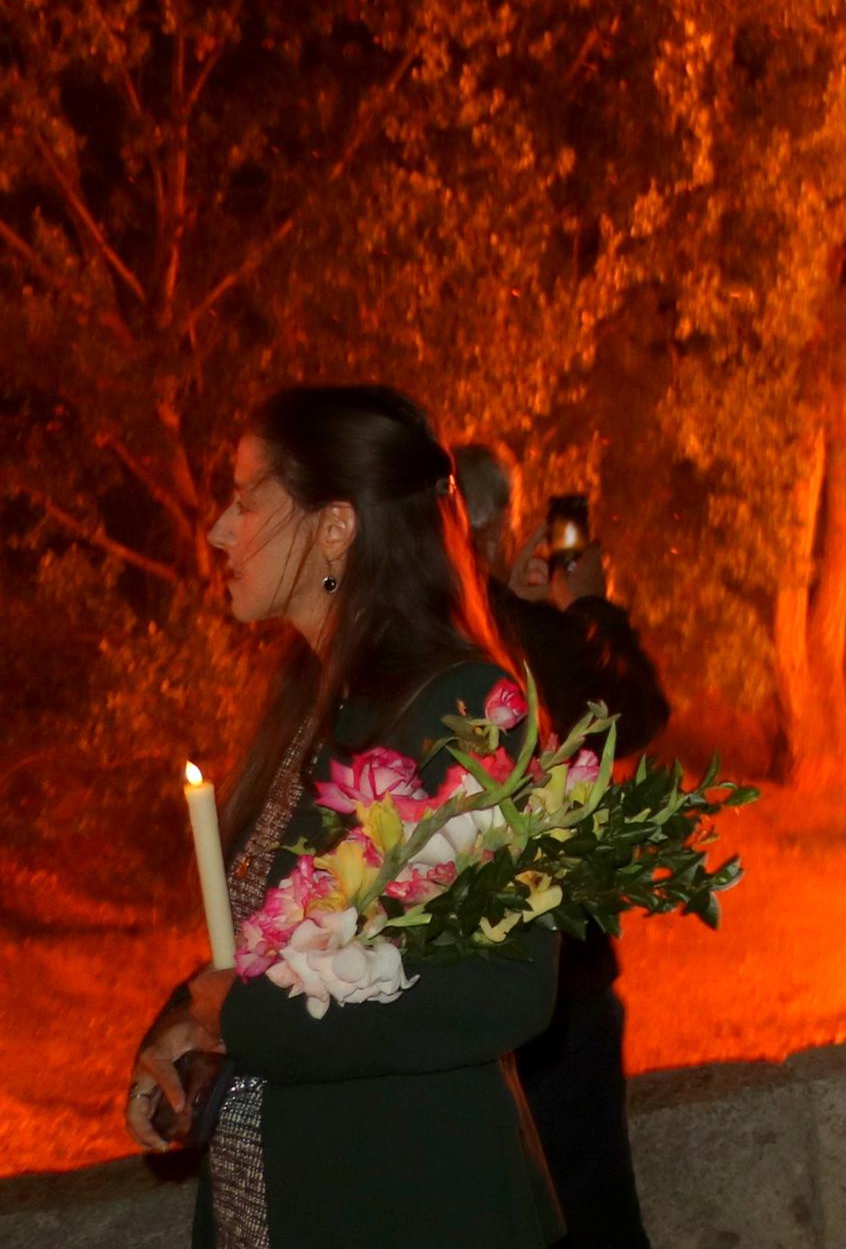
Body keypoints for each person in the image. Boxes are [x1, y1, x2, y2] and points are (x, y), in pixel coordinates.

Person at [123, 385, 562, 1249]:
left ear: (335, 526)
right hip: (287, 1201)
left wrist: (241, 1019)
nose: (219, 528)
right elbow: (267, 939)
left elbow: (505, 987)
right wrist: (183, 1021)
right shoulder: (310, 702)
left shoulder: (470, 707)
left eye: (247, 499)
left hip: (411, 1202)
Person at [452, 443, 673, 1249]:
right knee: (592, 1216)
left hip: (450, 994)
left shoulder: (409, 622)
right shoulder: (519, 628)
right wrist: (588, 606)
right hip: (552, 985)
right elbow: (635, 712)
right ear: (488, 525)